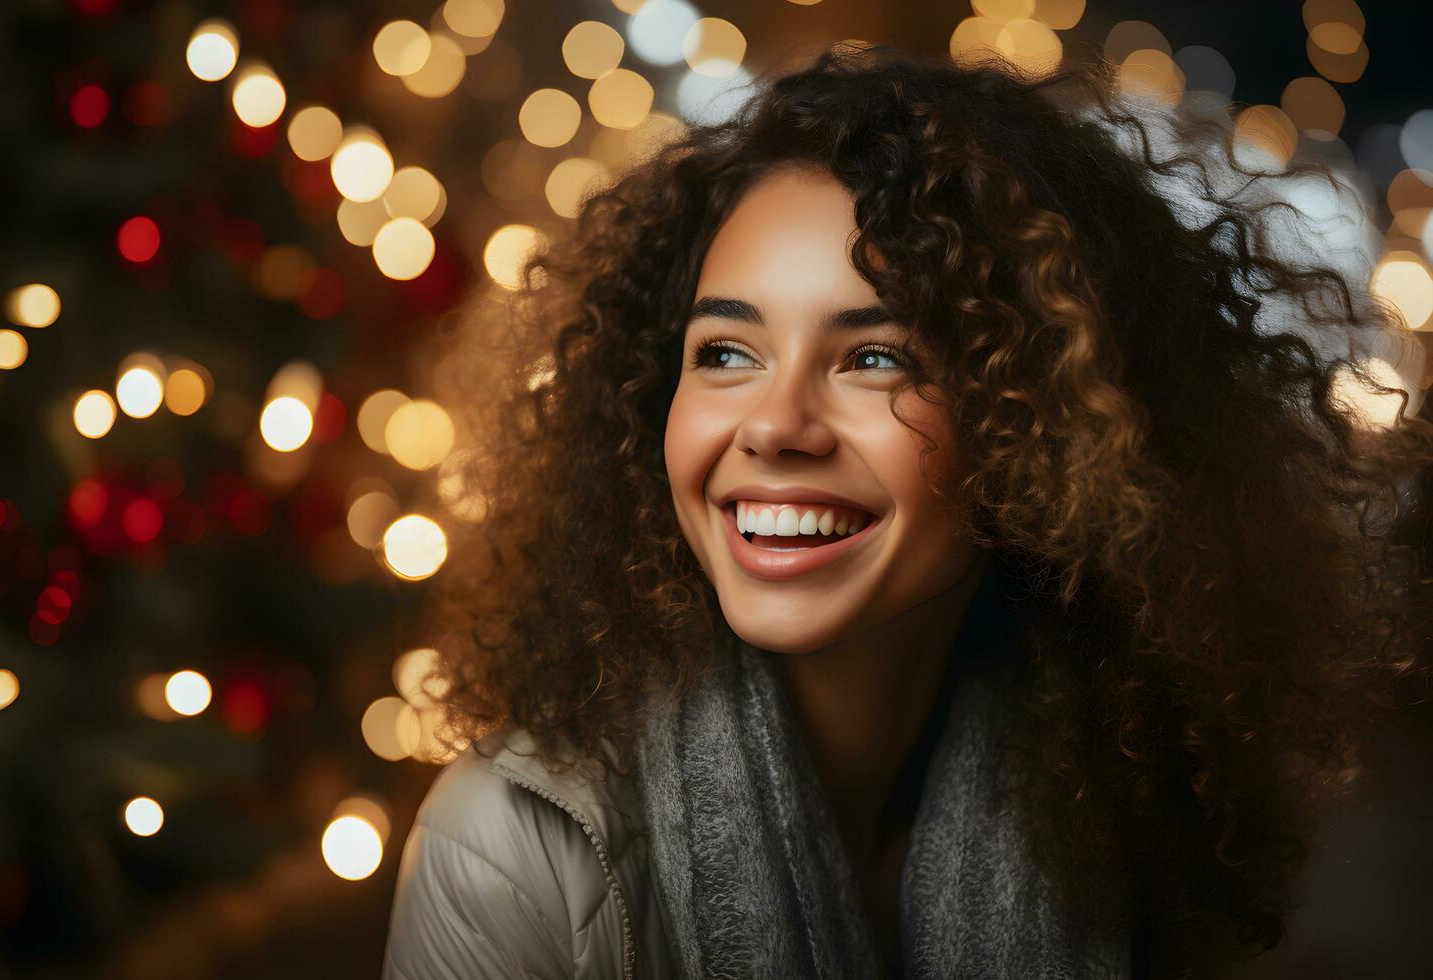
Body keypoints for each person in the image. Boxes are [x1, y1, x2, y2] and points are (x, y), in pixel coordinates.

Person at [381, 44, 1433, 980]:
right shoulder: (517, 852)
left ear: (1039, 422)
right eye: (727, 352)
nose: (775, 424)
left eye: (876, 355)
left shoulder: (1127, 803)